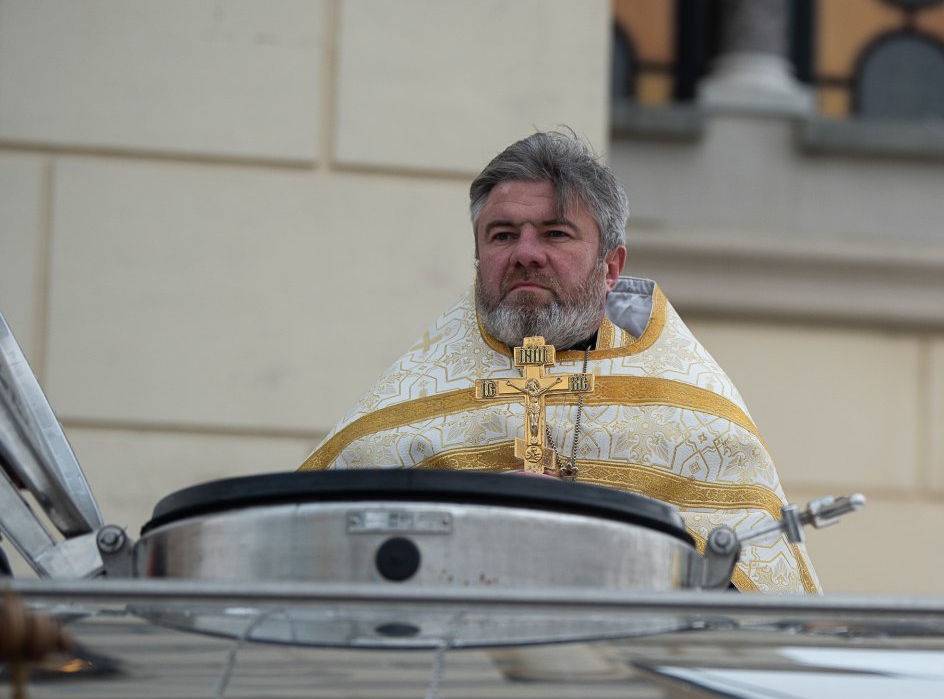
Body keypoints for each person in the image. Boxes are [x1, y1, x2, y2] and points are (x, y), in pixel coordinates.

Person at [301, 131, 818, 592]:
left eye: (555, 233)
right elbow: (318, 557)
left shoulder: (694, 413)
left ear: (611, 267)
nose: (525, 253)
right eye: (503, 235)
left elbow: (751, 601)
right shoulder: (411, 399)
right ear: (480, 258)